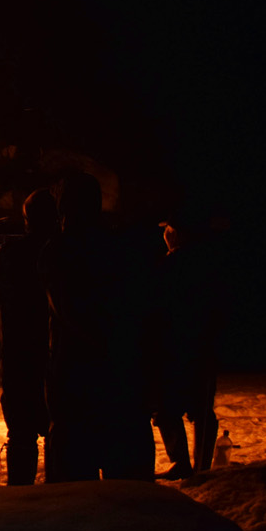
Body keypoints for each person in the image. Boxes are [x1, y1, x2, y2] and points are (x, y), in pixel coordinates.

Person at [44, 172, 154, 481]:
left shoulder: (61, 250)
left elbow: (71, 310)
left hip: (77, 372)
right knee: (125, 475)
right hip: (120, 369)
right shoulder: (121, 246)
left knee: (75, 473)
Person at [0, 189, 55, 484]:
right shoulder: (64, 249)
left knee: (21, 427)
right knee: (56, 424)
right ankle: (62, 489)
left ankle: (21, 491)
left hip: (18, 348)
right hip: (53, 348)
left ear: (27, 219)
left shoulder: (15, 251)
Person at [149, 213, 224, 477]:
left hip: (173, 346)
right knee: (199, 408)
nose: (165, 235)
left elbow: (155, 306)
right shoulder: (209, 265)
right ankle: (200, 464)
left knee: (167, 407)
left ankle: (183, 462)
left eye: (168, 231)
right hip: (200, 345)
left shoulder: (169, 266)